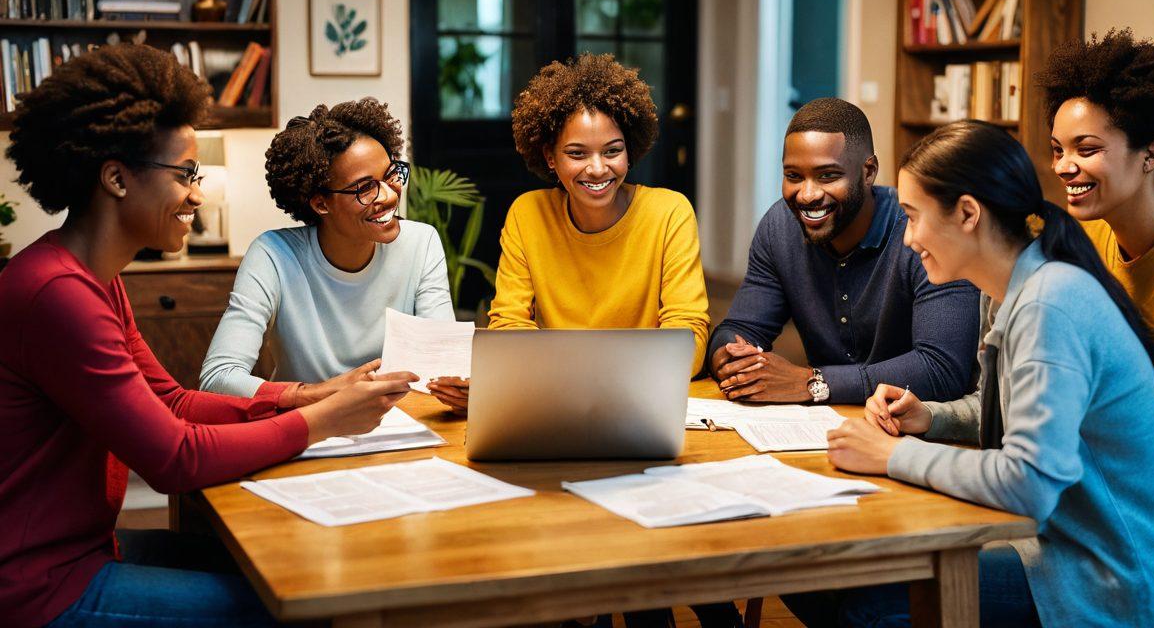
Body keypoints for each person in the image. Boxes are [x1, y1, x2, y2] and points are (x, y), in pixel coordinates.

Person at [0, 45, 416, 628]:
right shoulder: (57, 295)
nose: (198, 194)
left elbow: (172, 403)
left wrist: (309, 396)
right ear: (117, 178)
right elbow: (173, 457)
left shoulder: (93, 280)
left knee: (302, 569)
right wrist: (325, 421)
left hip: (84, 553)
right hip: (43, 589)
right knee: (309, 607)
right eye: (185, 174)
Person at [822, 119, 1154, 627]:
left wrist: (894, 455)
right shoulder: (1017, 286)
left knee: (868, 602)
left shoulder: (1049, 303)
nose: (908, 239)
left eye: (913, 218)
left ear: (968, 214)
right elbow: (1011, 412)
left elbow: (1028, 483)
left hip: (1117, 585)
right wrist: (926, 419)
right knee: (835, 580)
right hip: (1070, 549)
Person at [428, 53, 722, 628]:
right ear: (548, 156)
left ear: (631, 149)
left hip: (643, 426)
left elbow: (688, 332)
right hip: (549, 426)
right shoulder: (528, 214)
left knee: (651, 574)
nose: (597, 169)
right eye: (576, 153)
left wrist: (580, 375)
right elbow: (509, 322)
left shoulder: (669, 213)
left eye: (612, 150)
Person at [1036, 29, 1154, 616]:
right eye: (1057, 148)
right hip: (1105, 491)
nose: (1064, 166)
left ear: (1151, 154)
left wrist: (1077, 478)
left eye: (1085, 149)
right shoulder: (1086, 239)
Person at [708, 98, 978, 406]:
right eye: (793, 176)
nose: (807, 194)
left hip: (921, 433)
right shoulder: (779, 228)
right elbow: (742, 326)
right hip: (818, 428)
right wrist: (731, 358)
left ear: (868, 171)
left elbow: (942, 370)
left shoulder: (922, 232)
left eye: (827, 176)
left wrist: (812, 383)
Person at [200, 98, 453, 399]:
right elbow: (218, 377)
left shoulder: (421, 243)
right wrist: (320, 394)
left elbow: (443, 362)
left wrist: (458, 385)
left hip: (400, 423)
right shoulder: (274, 255)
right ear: (321, 203)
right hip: (307, 429)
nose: (388, 195)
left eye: (389, 175)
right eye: (364, 187)